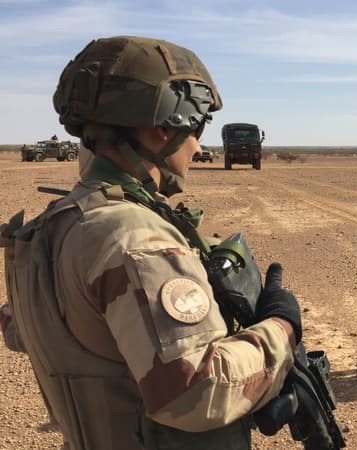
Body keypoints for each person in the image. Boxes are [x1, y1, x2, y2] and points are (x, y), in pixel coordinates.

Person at [0, 36, 301, 450]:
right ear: (163, 126)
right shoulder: (134, 238)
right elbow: (195, 392)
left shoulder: (50, 226)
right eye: (195, 128)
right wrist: (281, 330)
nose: (197, 146)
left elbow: (20, 332)